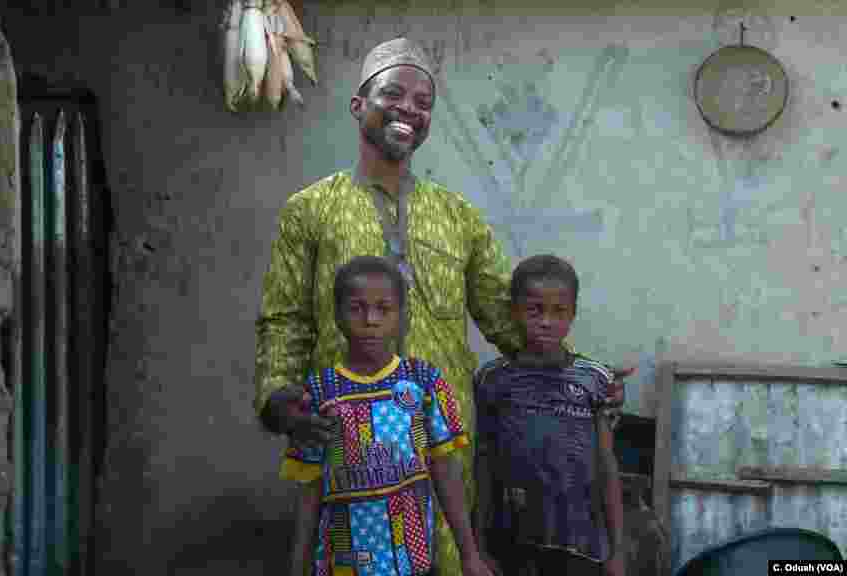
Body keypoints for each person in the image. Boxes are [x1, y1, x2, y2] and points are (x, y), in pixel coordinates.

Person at [254, 37, 632, 576]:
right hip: (348, 444)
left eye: (424, 102)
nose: (409, 108)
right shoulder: (310, 211)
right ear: (359, 105)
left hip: (443, 443)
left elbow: (510, 317)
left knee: (451, 558)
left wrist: (582, 377)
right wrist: (278, 397)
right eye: (394, 93)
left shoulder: (457, 216)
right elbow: (285, 318)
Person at [282, 256, 495, 576]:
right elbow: (310, 487)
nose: (370, 319)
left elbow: (445, 470)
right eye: (356, 308)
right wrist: (297, 564)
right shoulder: (319, 392)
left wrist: (470, 554)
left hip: (412, 561)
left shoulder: (423, 381)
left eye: (384, 308)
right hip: (343, 564)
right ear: (337, 314)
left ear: (401, 315)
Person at [472, 254, 625, 576]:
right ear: (514, 312)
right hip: (512, 539)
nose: (546, 321)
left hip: (581, 542)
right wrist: (478, 545)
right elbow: (483, 463)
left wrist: (618, 549)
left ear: (572, 315)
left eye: (559, 312)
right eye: (534, 310)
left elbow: (607, 463)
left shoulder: (594, 379)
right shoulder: (493, 379)